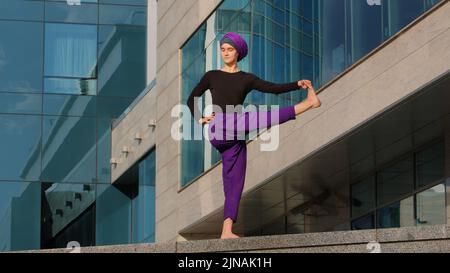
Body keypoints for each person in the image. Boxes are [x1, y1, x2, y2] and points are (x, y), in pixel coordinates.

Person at [186, 31, 321, 239]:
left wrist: (297, 84)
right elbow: (192, 98)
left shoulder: (246, 79)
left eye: (230, 49)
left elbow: (273, 89)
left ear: (238, 52)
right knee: (258, 117)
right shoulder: (212, 76)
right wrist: (199, 118)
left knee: (234, 183)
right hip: (220, 127)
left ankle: (227, 230)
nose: (225, 53)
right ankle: (308, 104)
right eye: (223, 49)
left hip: (236, 137)